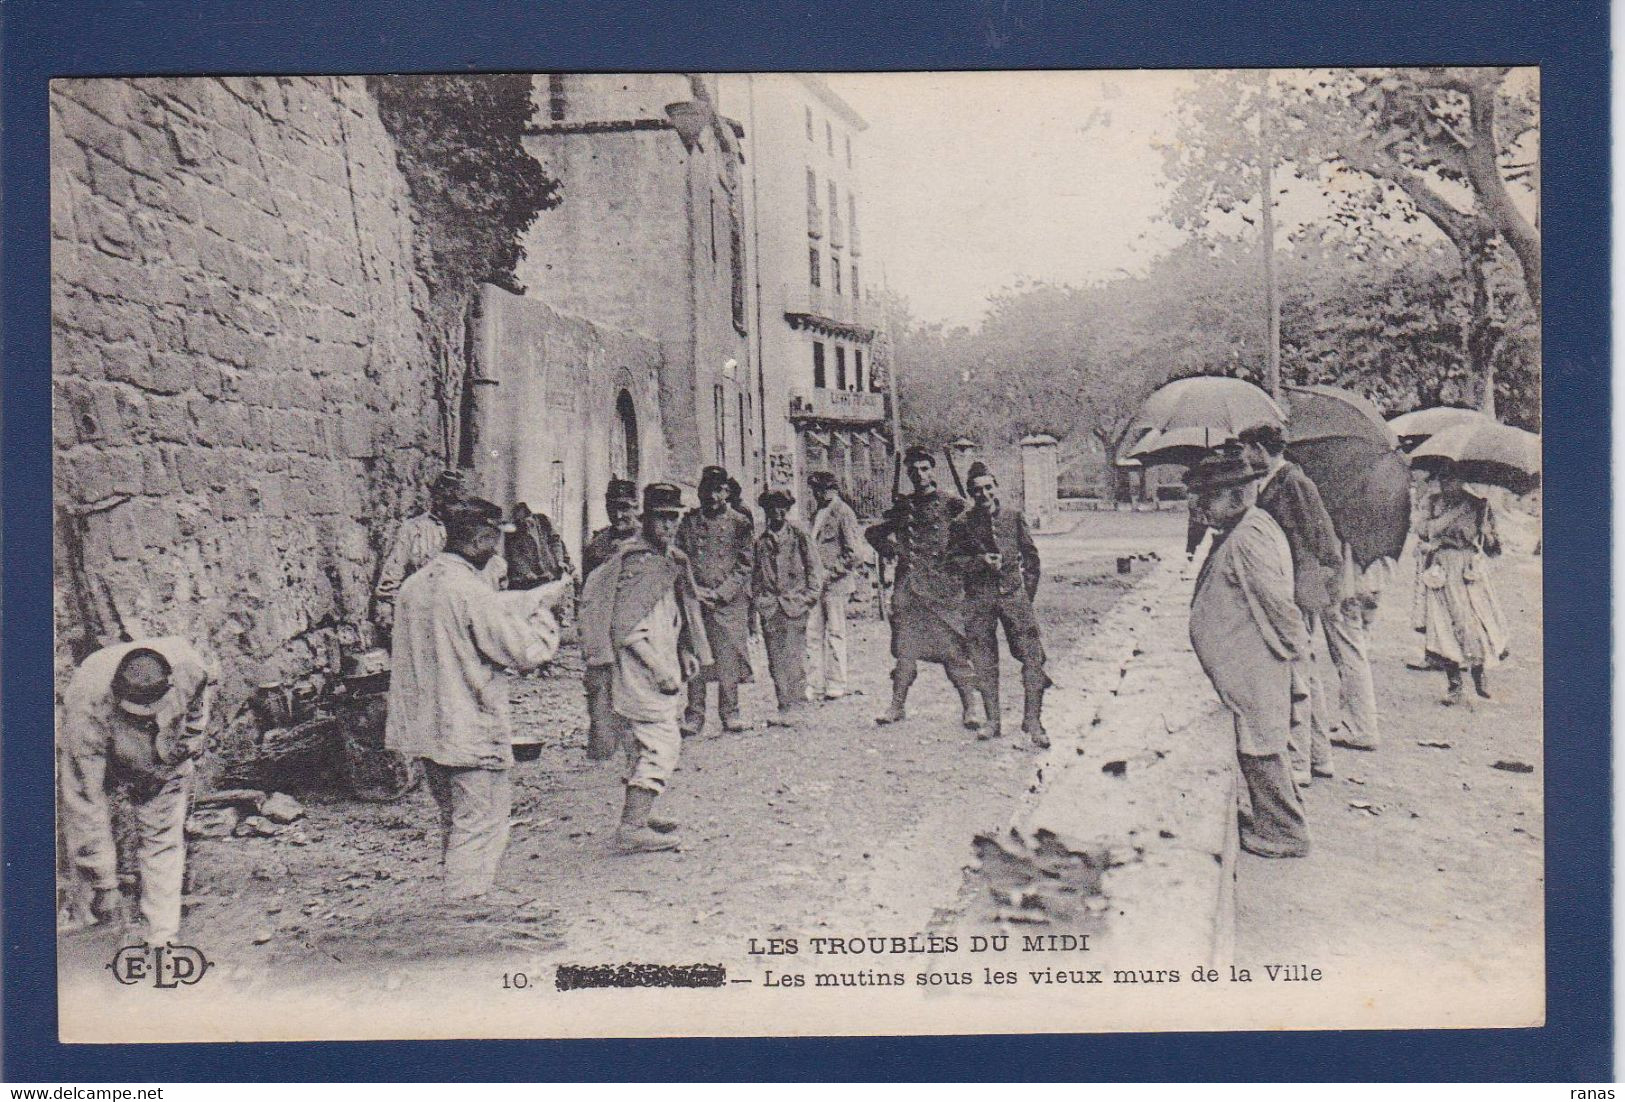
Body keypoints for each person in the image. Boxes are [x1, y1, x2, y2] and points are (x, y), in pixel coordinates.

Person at [385, 498, 565, 898]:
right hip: (469, 728)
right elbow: (525, 653)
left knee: (455, 822)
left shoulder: (414, 587)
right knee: (480, 825)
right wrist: (543, 616)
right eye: (496, 539)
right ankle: (464, 910)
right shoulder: (470, 591)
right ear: (483, 538)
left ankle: (459, 903)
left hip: (426, 731)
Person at [1185, 455, 1312, 859]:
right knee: (1258, 743)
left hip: (1257, 661)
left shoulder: (1250, 534)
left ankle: (1286, 832)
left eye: (1209, 498)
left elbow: (1276, 602)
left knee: (1262, 747)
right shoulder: (1241, 527)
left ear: (1238, 495)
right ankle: (1271, 819)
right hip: (1247, 663)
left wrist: (1294, 652)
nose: (1201, 508)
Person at [578, 483, 712, 853]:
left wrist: (684, 649)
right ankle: (633, 825)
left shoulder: (668, 559)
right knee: (662, 743)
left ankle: (639, 814)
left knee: (644, 743)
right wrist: (658, 669)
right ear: (645, 519)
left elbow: (671, 613)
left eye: (674, 519)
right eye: (661, 519)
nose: (668, 526)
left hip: (661, 658)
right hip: (640, 667)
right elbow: (627, 627)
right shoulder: (638, 561)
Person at [58, 637, 219, 945]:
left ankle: (162, 938)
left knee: (163, 841)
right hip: (109, 741)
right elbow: (85, 800)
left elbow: (199, 705)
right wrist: (105, 882)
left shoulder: (189, 667)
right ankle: (97, 921)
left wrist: (187, 743)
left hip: (163, 757)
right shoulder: (87, 706)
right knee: (92, 849)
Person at [1237, 423, 1342, 786]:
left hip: (1297, 587)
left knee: (1297, 672)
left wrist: (1318, 587)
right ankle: (1318, 754)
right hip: (1288, 584)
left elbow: (1323, 539)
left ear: (1260, 450)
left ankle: (1300, 761)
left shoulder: (1294, 483)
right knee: (1305, 670)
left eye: (1246, 449)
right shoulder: (1271, 483)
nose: (1243, 457)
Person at [865, 445, 981, 730]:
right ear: (907, 473)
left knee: (953, 652)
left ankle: (971, 709)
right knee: (905, 652)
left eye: (924, 469)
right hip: (910, 590)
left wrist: (960, 559)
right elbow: (873, 532)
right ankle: (896, 706)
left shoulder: (952, 504)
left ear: (933, 470)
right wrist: (891, 549)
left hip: (944, 589)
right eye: (913, 470)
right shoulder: (903, 507)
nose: (919, 475)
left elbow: (975, 534)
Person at [947, 462, 1049, 747]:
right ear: (970, 493)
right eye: (977, 490)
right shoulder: (961, 524)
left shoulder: (1013, 517)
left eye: (988, 487)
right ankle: (993, 721)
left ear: (996, 488)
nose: (984, 494)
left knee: (1033, 658)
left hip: (1014, 598)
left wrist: (1025, 596)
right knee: (984, 661)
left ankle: (1034, 720)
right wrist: (979, 562)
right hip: (979, 600)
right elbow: (951, 563)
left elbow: (1031, 559)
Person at [373, 470, 504, 639]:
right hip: (426, 620)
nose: (455, 507)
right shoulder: (414, 529)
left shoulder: (469, 531)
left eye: (459, 501)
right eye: (450, 500)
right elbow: (391, 579)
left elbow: (491, 576)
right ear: (437, 498)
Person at [1416, 475, 1511, 706]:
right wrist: (1433, 535)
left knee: (1473, 622)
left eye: (1454, 478)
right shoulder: (1433, 502)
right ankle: (1454, 685)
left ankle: (1479, 675)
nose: (1448, 483)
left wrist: (1487, 529)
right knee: (1443, 625)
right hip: (1441, 567)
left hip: (1468, 568)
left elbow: (1492, 548)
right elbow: (1422, 530)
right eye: (1444, 477)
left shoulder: (1478, 505)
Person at [677, 465, 755, 736]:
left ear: (726, 492)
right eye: (706, 490)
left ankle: (730, 713)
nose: (711, 496)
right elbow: (679, 557)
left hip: (728, 604)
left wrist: (722, 593)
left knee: (728, 659)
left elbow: (745, 566)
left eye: (717, 490)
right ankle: (694, 714)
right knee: (696, 656)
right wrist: (695, 591)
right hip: (696, 600)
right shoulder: (688, 523)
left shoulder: (740, 523)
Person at [580, 479, 642, 761]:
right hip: (604, 628)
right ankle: (603, 743)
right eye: (614, 509)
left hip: (638, 627)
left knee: (639, 685)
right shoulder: (597, 546)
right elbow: (588, 593)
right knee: (600, 683)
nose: (620, 516)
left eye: (626, 509)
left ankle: (640, 747)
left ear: (637, 507)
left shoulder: (647, 542)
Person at [752, 490, 824, 724]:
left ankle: (797, 704)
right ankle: (783, 703)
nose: (777, 512)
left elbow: (814, 569)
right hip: (771, 607)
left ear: (788, 509)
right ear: (765, 511)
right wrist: (759, 602)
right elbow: (754, 576)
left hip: (795, 606)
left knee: (795, 656)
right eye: (772, 507)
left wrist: (808, 598)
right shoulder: (760, 541)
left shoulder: (799, 536)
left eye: (782, 507)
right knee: (775, 658)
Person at [805, 470, 865, 701]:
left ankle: (836, 683)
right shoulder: (817, 512)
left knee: (836, 634)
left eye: (820, 489)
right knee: (813, 634)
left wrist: (831, 574)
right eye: (815, 490)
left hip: (835, 584)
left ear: (830, 489)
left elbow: (855, 553)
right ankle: (814, 683)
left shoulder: (843, 513)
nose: (817, 494)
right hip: (815, 584)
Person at [504, 501, 575, 591]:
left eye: (527, 521)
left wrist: (559, 560)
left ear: (531, 515)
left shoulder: (544, 521)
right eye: (522, 522)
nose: (526, 526)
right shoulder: (516, 532)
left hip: (552, 567)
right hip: (536, 575)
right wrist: (526, 571)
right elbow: (515, 554)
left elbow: (556, 542)